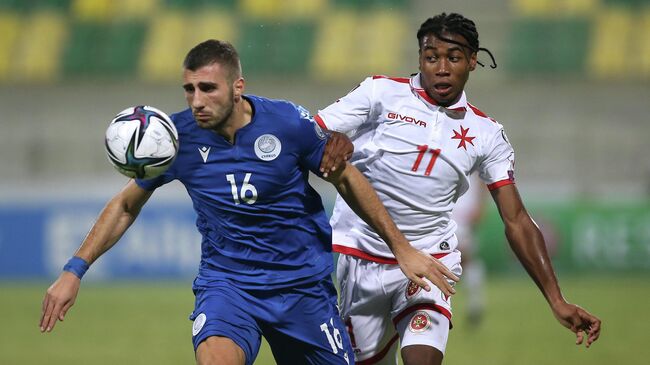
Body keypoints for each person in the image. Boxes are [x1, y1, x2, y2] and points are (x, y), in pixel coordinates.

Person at [39, 39, 459, 365]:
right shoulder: (176, 138)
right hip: (229, 286)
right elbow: (127, 205)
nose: (196, 100)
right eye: (189, 89)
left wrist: (402, 249)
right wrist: (74, 269)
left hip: (301, 289)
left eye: (207, 88)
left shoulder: (289, 125)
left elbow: (348, 180)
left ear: (238, 87)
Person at [314, 12, 601, 365]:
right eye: (431, 57)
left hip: (431, 260)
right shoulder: (381, 93)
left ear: (472, 61)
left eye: (453, 57)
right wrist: (331, 139)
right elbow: (311, 130)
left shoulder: (487, 134)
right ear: (420, 58)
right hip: (363, 256)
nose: (441, 68)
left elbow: (517, 220)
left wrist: (557, 300)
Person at [451, 173, 487, 327]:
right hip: (447, 207)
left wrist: (480, 205)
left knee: (464, 257)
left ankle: (475, 303)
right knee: (463, 259)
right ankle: (474, 303)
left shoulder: (472, 151)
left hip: (462, 210)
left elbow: (483, 177)